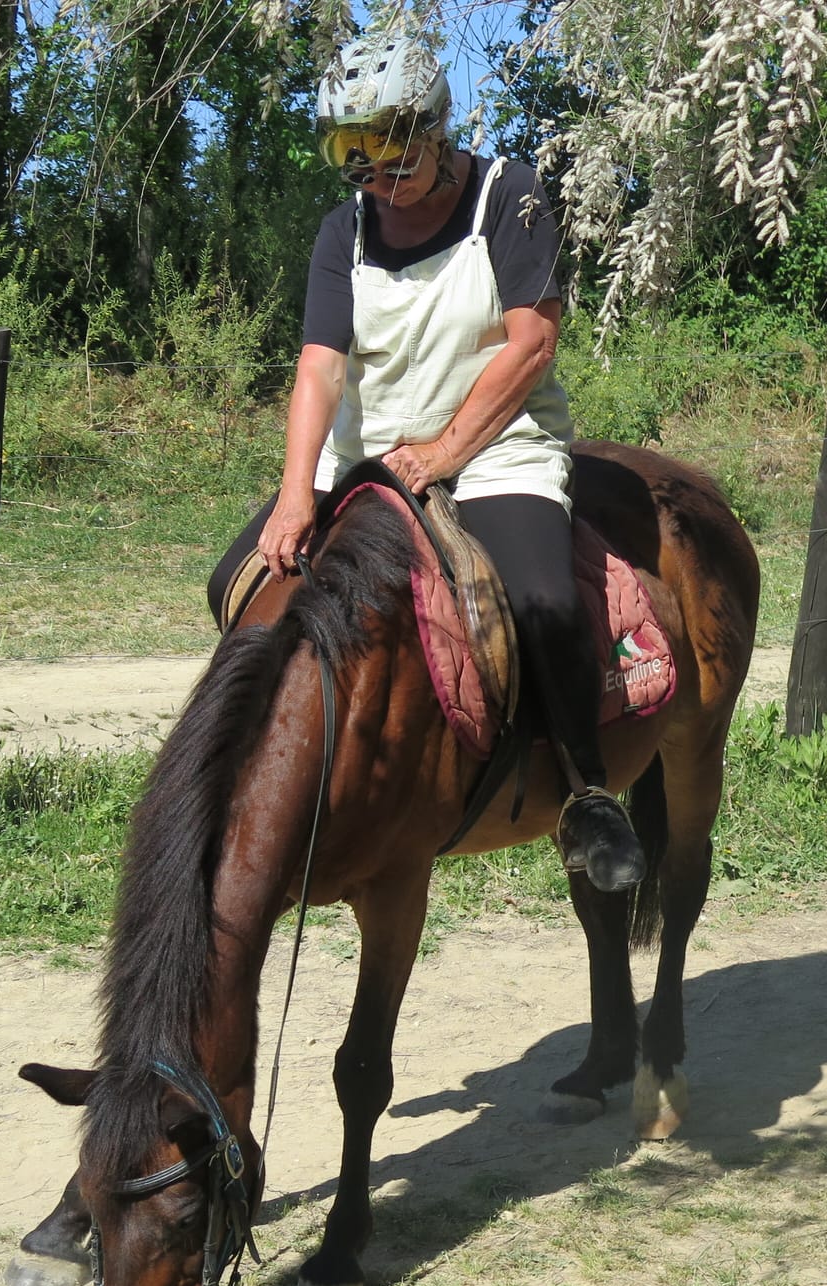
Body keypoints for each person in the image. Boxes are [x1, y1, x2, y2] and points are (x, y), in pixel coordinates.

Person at [237, 31, 645, 892]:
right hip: (370, 458)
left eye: (390, 151)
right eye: (352, 155)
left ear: (435, 125)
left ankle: (585, 792)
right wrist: (293, 494)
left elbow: (531, 346)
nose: (375, 177)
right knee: (237, 583)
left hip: (497, 450)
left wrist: (447, 452)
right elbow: (320, 365)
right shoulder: (340, 231)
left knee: (539, 599)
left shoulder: (512, 197)